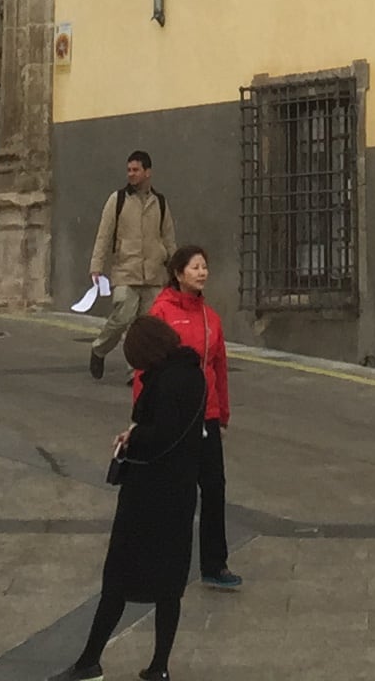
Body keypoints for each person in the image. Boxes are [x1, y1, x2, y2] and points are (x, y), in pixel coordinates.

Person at [58, 314, 204, 681]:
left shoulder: (167, 381)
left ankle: (89, 662)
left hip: (149, 493)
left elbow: (160, 435)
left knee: (118, 579)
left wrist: (132, 437)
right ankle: (159, 666)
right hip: (181, 491)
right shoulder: (192, 374)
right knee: (170, 585)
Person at [147, 243, 240, 590]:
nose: (202, 272)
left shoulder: (211, 318)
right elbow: (147, 367)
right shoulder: (162, 313)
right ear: (178, 273)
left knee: (214, 487)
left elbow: (220, 366)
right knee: (175, 491)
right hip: (174, 417)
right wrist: (145, 414)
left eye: (205, 266)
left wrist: (223, 410)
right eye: (195, 267)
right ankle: (164, 561)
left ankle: (215, 564)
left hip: (208, 415)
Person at [85, 149, 174, 381]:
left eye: (136, 170)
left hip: (153, 274)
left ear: (148, 172)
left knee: (145, 328)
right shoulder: (118, 200)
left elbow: (168, 238)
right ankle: (99, 348)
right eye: (129, 170)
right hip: (126, 270)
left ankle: (136, 371)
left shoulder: (160, 203)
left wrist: (176, 268)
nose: (131, 174)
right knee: (123, 317)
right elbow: (103, 235)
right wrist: (97, 265)